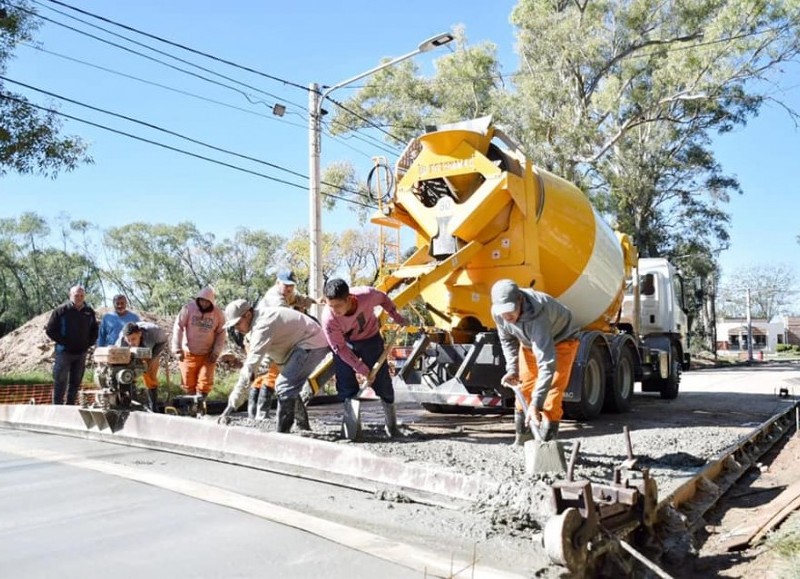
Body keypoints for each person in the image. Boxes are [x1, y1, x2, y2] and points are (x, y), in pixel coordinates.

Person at [219, 299, 330, 433]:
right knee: (289, 387)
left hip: (311, 344)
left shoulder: (262, 325)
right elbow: (263, 361)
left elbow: (251, 365)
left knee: (284, 386)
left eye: (237, 324)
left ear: (247, 315)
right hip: (296, 347)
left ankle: (282, 433)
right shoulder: (258, 323)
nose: (236, 328)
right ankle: (302, 425)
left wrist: (232, 404)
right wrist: (253, 374)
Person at [491, 279, 580, 444]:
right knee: (523, 387)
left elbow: (547, 364)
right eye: (502, 312)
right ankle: (523, 440)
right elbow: (508, 341)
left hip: (561, 341)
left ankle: (546, 444)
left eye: (510, 310)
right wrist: (512, 369)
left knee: (551, 393)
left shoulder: (538, 316)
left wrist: (536, 404)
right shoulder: (498, 313)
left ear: (520, 300)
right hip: (528, 344)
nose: (506, 316)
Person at [321, 278, 407, 441]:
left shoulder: (366, 295)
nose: (334, 310)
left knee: (383, 383)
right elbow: (340, 349)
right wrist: (360, 367)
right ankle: (352, 428)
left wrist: (395, 315)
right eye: (330, 305)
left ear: (349, 298)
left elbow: (383, 298)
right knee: (345, 382)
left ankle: (392, 427)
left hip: (370, 339)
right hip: (345, 345)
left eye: (338, 306)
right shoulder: (329, 318)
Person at [251, 269, 318, 426]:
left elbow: (297, 299)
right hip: (265, 339)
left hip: (275, 338)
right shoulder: (275, 299)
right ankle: (260, 414)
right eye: (286, 285)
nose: (289, 288)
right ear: (277, 283)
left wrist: (313, 301)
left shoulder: (287, 294)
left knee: (273, 376)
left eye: (291, 286)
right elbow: (290, 318)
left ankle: (258, 414)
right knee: (274, 376)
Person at [44, 285, 99, 405]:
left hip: (81, 354)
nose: (79, 298)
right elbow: (50, 330)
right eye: (76, 295)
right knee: (60, 381)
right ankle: (57, 408)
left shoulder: (89, 311)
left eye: (81, 296)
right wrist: (64, 342)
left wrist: (89, 343)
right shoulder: (61, 310)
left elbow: (95, 329)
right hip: (64, 353)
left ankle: (70, 407)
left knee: (75, 383)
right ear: (70, 296)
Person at [170, 287, 226, 399]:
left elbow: (221, 332)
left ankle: (201, 406)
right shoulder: (188, 309)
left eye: (207, 301)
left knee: (205, 382)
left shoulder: (218, 313)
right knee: (187, 383)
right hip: (188, 353)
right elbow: (178, 327)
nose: (204, 303)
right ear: (198, 299)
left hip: (208, 355)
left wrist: (216, 352)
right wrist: (177, 349)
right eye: (202, 300)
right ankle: (191, 409)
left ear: (211, 302)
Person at [115, 321, 169, 412]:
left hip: (150, 350)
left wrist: (152, 355)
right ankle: (131, 402)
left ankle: (153, 406)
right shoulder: (121, 341)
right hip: (130, 354)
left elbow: (163, 341)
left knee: (150, 376)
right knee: (127, 373)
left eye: (133, 339)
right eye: (128, 340)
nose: (131, 342)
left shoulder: (154, 332)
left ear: (139, 334)